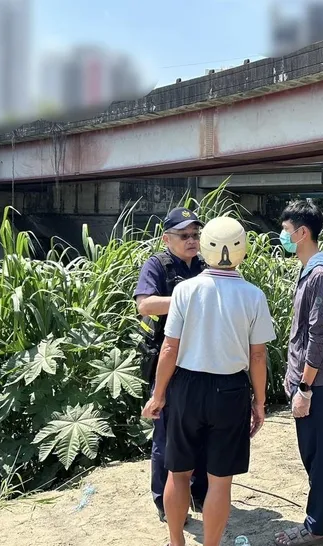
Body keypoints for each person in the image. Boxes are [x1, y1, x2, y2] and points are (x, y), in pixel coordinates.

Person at [142, 216, 276, 546]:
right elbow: (258, 356)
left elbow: (169, 348)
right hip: (230, 390)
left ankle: (176, 541)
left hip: (186, 387)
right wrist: (259, 402)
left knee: (178, 472)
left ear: (205, 247)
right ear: (243, 250)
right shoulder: (253, 295)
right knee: (220, 483)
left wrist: (158, 395)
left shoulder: (185, 291)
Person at [275, 201, 323, 546]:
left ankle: (315, 526)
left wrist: (304, 386)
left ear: (302, 233)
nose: (283, 237)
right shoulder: (312, 269)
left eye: (286, 231)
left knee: (314, 450)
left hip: (312, 378)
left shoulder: (320, 274)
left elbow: (319, 334)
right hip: (310, 375)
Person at [133, 207, 208, 522]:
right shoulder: (157, 265)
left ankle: (200, 497)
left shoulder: (208, 265)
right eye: (184, 235)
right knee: (166, 440)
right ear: (167, 239)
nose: (192, 240)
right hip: (170, 365)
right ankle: (165, 503)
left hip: (204, 362)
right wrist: (187, 296)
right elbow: (145, 304)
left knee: (203, 435)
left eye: (195, 235)